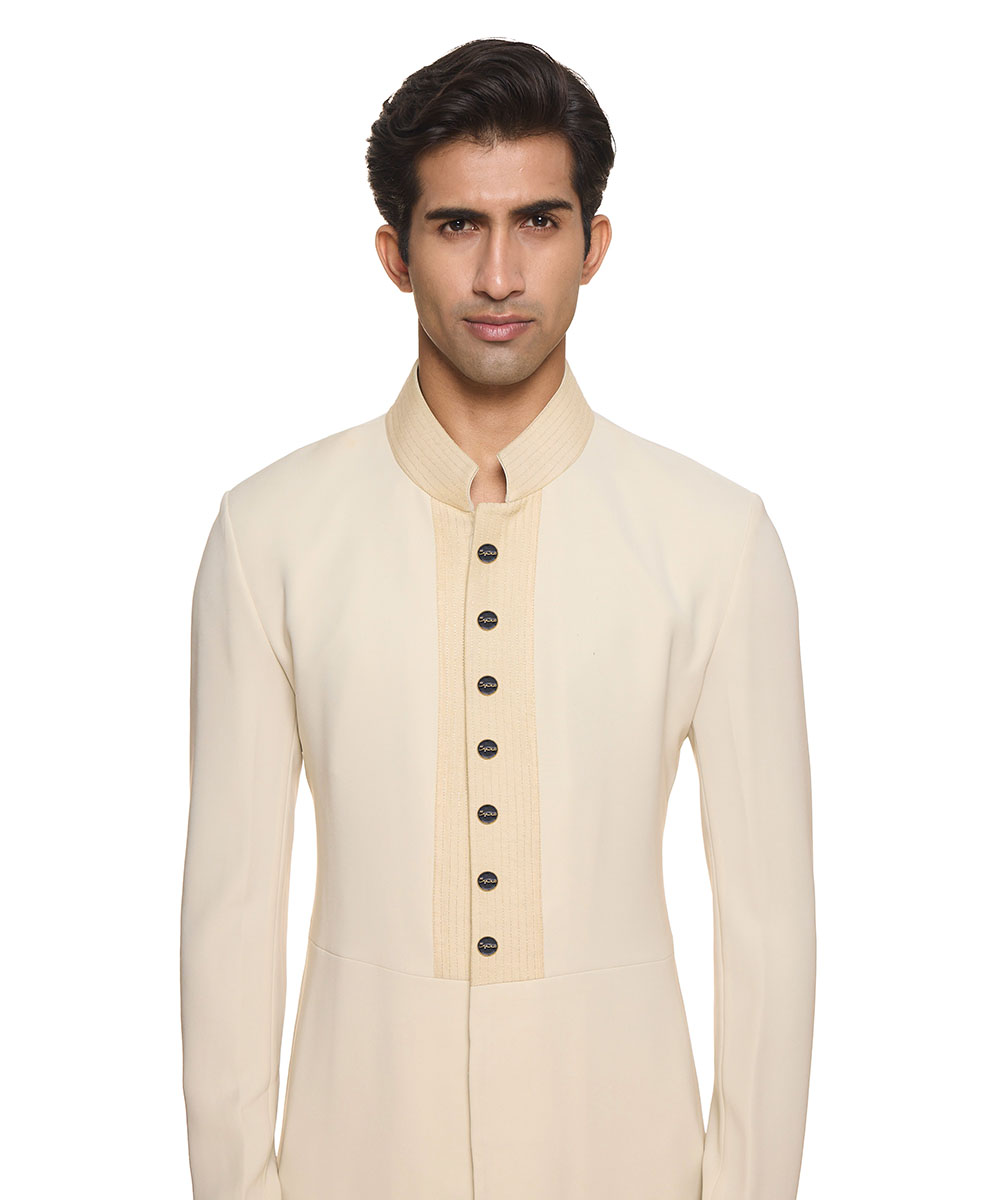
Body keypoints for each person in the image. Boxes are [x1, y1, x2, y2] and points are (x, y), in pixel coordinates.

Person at [180, 36, 816, 1200]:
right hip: (354, 1163)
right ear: (395, 252)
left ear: (593, 245)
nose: (499, 275)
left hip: (623, 1160)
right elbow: (229, 917)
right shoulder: (269, 536)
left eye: (538, 222)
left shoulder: (712, 539)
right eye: (457, 226)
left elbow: (768, 928)